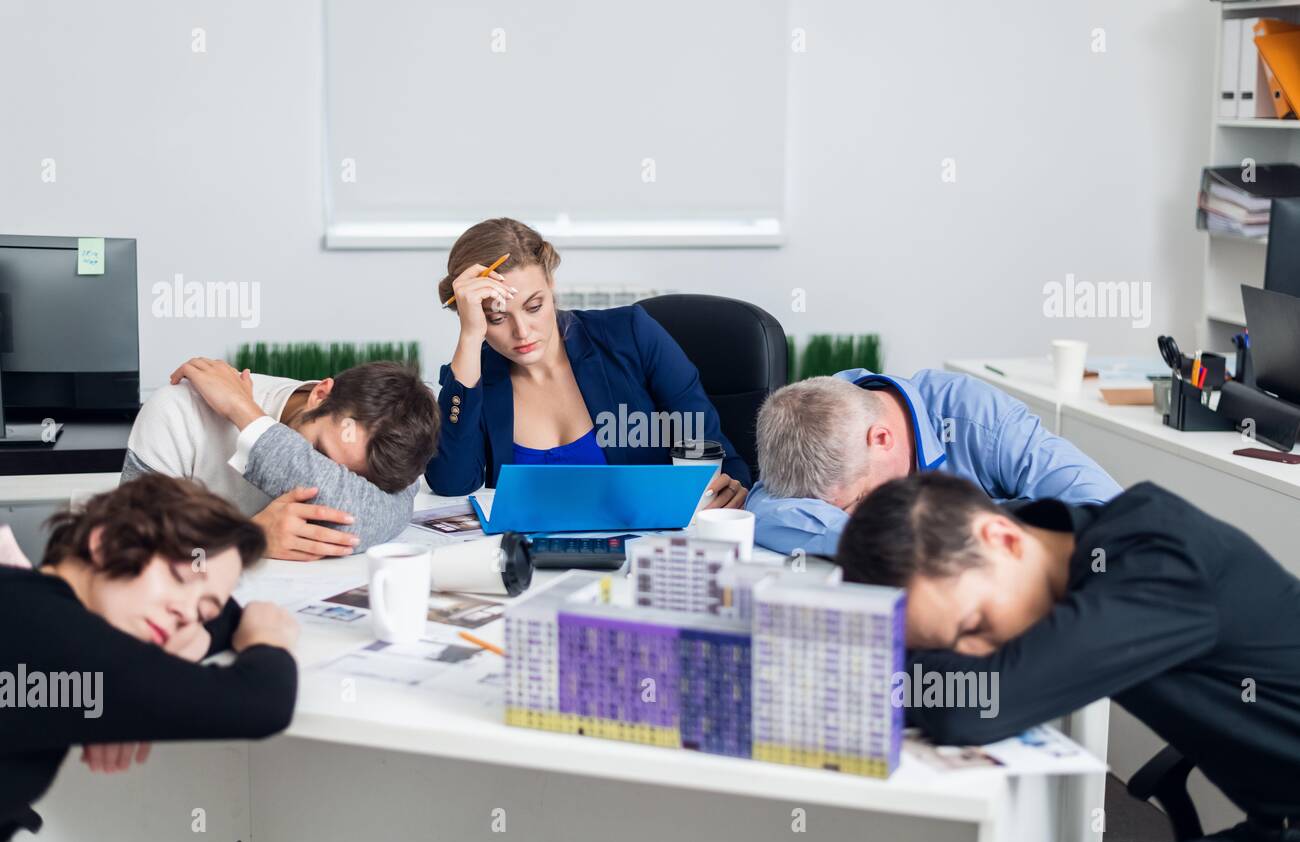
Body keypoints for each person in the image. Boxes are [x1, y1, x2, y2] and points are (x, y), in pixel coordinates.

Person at [836, 471, 1300, 842]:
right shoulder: (1055, 548)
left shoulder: (1159, 565)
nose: (972, 654)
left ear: (1003, 538)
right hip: (1270, 835)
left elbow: (976, 705)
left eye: (974, 625)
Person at [0, 474, 299, 842]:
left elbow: (225, 620)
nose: (185, 613)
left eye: (202, 610)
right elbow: (263, 702)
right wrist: (269, 640)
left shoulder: (31, 603)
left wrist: (138, 685)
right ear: (107, 543)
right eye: (179, 577)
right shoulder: (51, 637)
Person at [426, 218, 750, 507]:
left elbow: (718, 456)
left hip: (639, 550)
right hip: (529, 563)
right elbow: (450, 483)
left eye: (534, 306)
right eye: (496, 318)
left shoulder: (632, 335)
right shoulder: (474, 379)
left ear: (551, 286)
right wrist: (469, 338)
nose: (522, 332)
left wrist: (728, 489)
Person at [748, 369, 1121, 555]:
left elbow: (1110, 512)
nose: (856, 516)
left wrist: (962, 528)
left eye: (859, 504)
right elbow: (762, 512)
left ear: (881, 439)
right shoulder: (808, 422)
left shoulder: (978, 420)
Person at [123, 357, 439, 560]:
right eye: (319, 452)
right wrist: (245, 540)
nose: (319, 479)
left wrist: (243, 413)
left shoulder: (391, 448)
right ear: (321, 393)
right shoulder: (178, 411)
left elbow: (385, 511)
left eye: (349, 481)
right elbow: (130, 555)